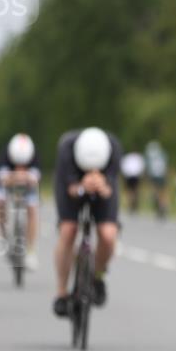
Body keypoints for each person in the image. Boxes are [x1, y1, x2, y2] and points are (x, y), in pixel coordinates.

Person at [51, 127, 121, 317]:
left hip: (103, 188)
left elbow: (111, 187)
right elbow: (69, 188)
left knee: (108, 234)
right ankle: (62, 292)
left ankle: (97, 276)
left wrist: (103, 187)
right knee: (68, 230)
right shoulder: (67, 149)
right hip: (72, 188)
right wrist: (82, 187)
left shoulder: (113, 148)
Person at [0, 133, 41, 270]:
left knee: (32, 209)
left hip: (28, 187)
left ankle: (31, 251)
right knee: (0, 204)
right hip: (8, 186)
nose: (20, 166)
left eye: (24, 164)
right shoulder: (5, 155)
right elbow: (2, 179)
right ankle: (5, 238)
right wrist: (16, 177)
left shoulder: (34, 156)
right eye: (17, 164)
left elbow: (35, 180)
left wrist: (23, 177)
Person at [144, 140, 168, 218]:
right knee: (162, 191)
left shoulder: (150, 155)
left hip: (154, 175)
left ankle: (159, 203)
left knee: (155, 190)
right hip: (161, 175)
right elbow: (165, 165)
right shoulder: (162, 154)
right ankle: (163, 205)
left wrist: (147, 177)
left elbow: (148, 167)